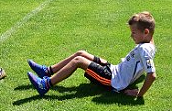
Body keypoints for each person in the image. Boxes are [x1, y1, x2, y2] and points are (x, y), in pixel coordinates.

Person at [27, 12, 156, 98]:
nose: (131, 36)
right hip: (114, 69)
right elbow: (150, 34)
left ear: (145, 32)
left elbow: (152, 75)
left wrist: (139, 94)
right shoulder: (148, 42)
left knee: (78, 60)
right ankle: (47, 71)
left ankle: (45, 85)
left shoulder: (145, 50)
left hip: (112, 80)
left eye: (134, 32)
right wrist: (146, 16)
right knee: (81, 52)